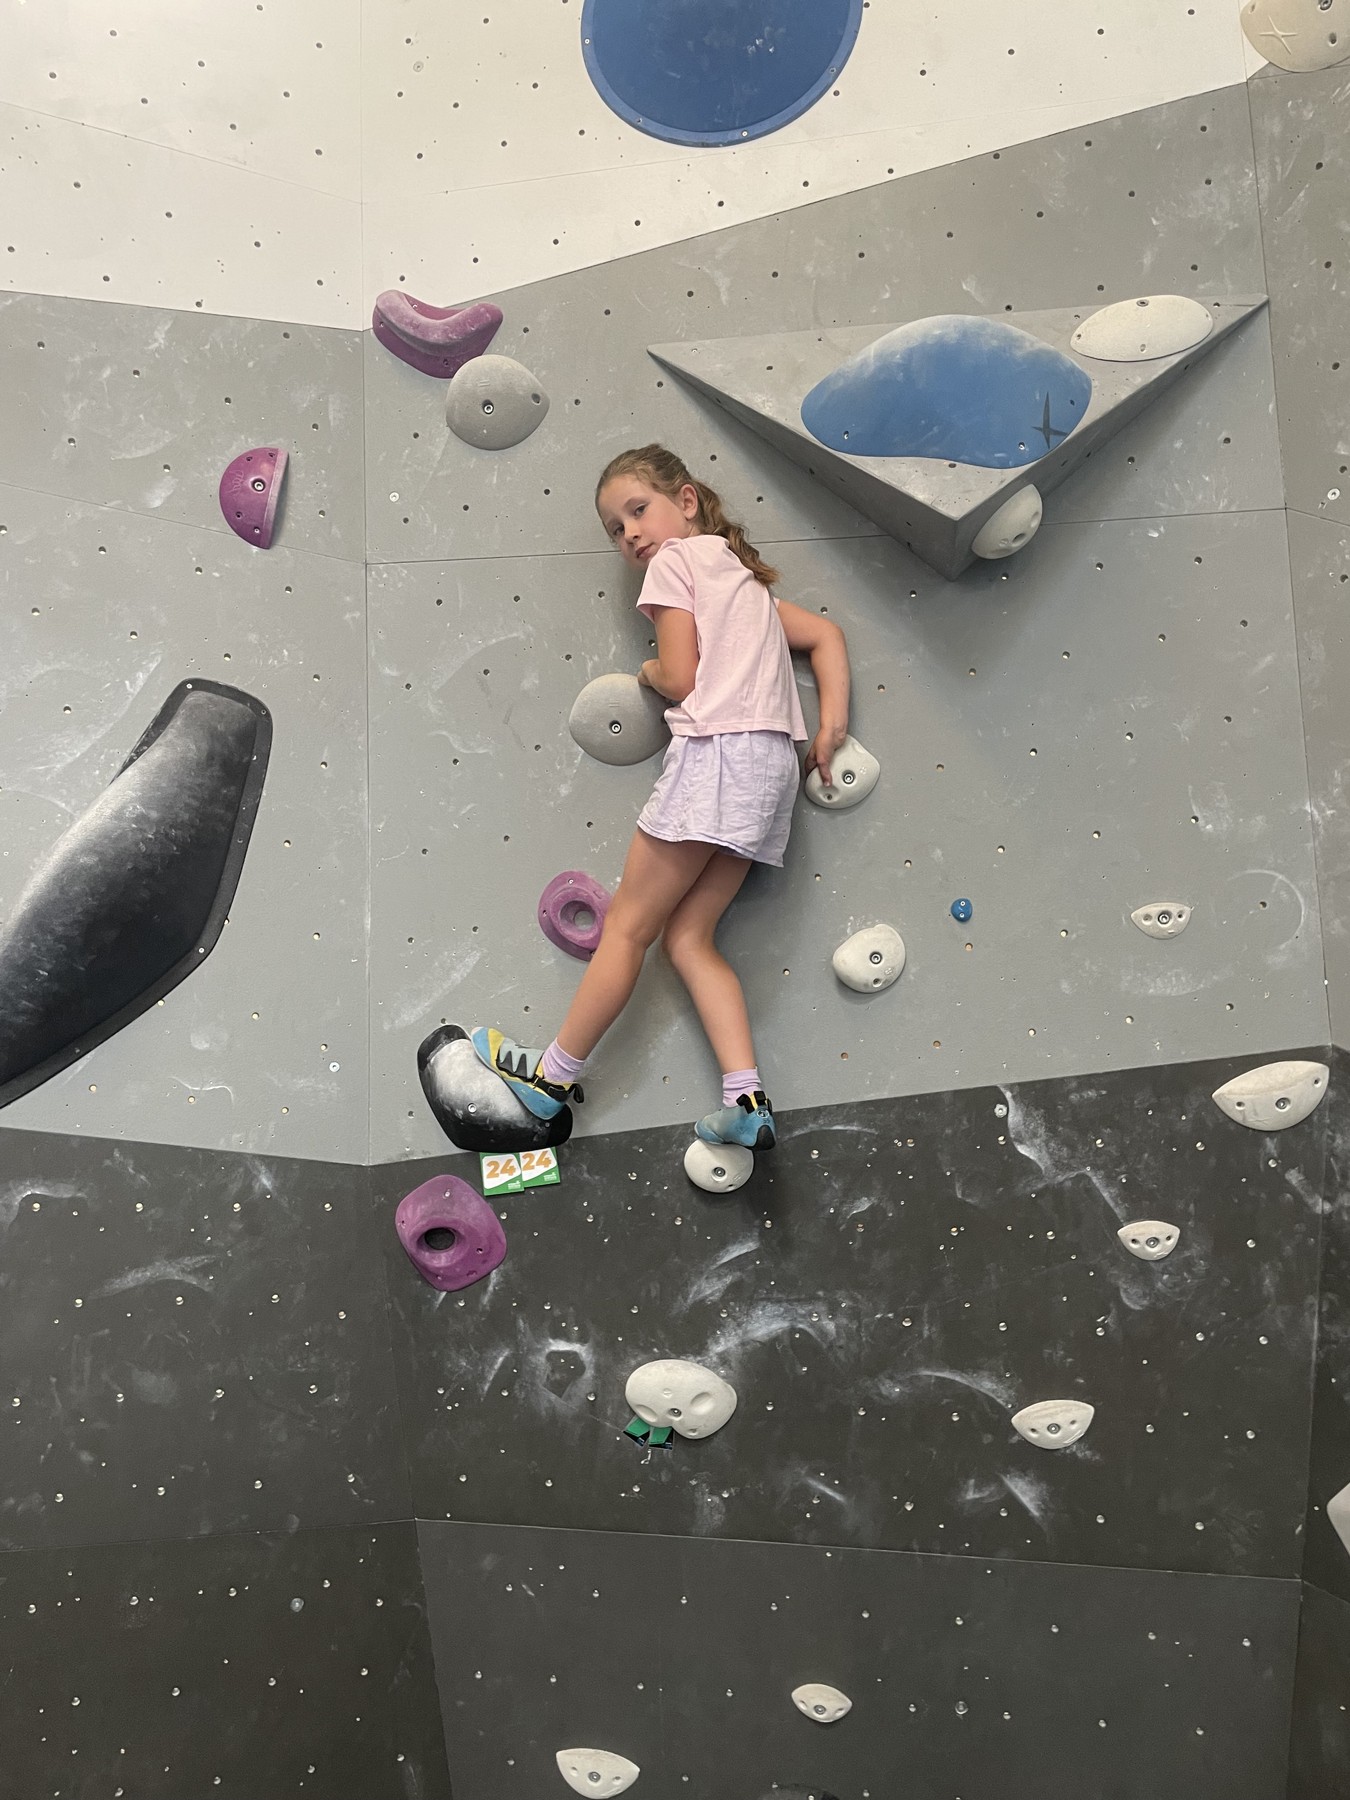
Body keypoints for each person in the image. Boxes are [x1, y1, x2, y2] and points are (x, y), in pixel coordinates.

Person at [471, 444, 851, 1149]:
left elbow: (679, 677)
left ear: (687, 501)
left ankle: (550, 1080)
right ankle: (746, 1100)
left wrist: (646, 672)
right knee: (688, 939)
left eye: (638, 510)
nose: (630, 534)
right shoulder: (747, 584)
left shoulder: (676, 564)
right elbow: (826, 636)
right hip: (770, 771)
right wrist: (829, 728)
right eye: (616, 529)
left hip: (718, 758)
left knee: (627, 928)